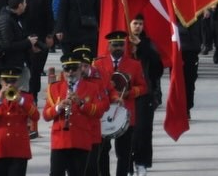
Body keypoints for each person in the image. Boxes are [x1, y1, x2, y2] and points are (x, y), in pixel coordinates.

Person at [44, 49, 104, 176]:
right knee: (55, 173)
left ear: (80, 69)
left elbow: (99, 112)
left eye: (74, 68)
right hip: (60, 140)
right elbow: (46, 115)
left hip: (80, 139)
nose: (70, 72)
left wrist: (81, 103)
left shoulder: (92, 87)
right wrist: (58, 107)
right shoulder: (54, 88)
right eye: (67, 69)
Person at [96, 30, 148, 176]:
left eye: (121, 45)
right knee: (102, 151)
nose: (118, 48)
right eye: (115, 45)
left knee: (124, 152)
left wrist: (129, 93)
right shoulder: (98, 64)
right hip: (104, 113)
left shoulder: (134, 64)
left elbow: (143, 87)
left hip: (125, 113)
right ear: (108, 46)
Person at [0, 66, 39, 176]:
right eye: (6, 81)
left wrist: (21, 101)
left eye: (13, 81)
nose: (10, 85)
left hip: (18, 149)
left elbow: (36, 116)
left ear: (18, 82)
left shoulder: (26, 97)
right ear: (1, 81)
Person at [129, 15, 163, 176]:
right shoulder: (122, 43)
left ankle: (142, 163)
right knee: (128, 132)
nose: (138, 27)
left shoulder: (148, 43)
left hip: (145, 92)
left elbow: (158, 67)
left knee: (143, 129)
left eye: (141, 24)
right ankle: (127, 164)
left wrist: (141, 46)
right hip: (125, 94)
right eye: (135, 23)